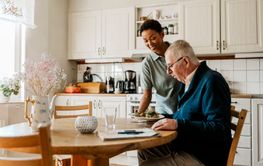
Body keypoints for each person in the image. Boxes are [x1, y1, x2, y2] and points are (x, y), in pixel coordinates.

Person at [138, 40, 232, 166]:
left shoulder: (211, 81)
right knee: (144, 148)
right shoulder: (188, 83)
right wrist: (157, 119)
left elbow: (219, 129)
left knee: (148, 165)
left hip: (204, 156)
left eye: (170, 66)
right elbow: (183, 116)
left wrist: (178, 124)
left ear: (185, 62)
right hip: (186, 147)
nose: (168, 72)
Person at [139, 19, 180, 115]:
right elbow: (146, 95)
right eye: (145, 41)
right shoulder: (147, 64)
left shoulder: (178, 51)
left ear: (162, 34)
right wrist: (138, 116)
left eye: (153, 38)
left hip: (185, 110)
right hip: (164, 113)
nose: (150, 44)